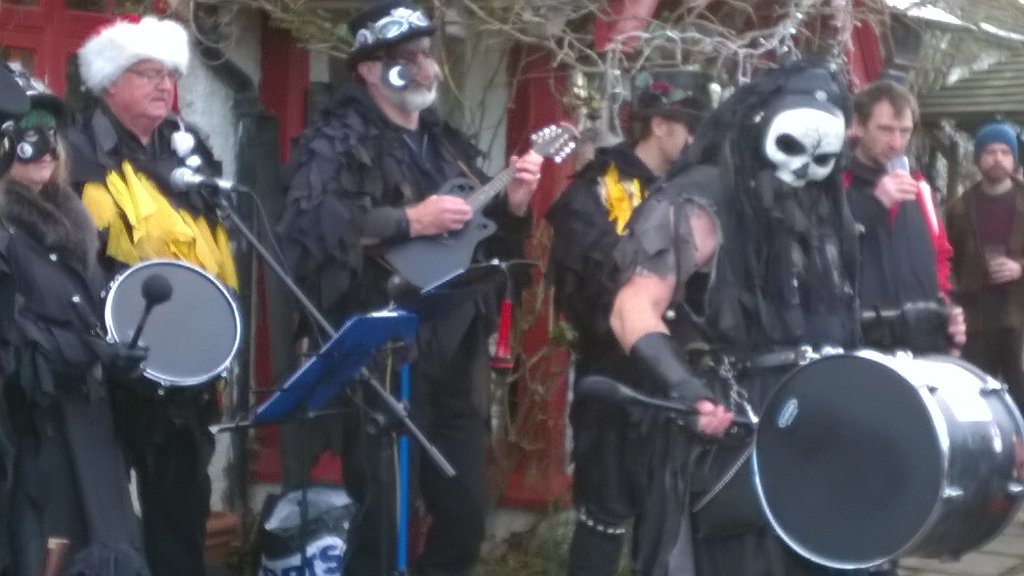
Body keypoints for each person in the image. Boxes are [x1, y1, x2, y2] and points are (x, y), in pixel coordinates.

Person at [275, 2, 543, 575]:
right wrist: (408, 221)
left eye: (427, 55)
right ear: (369, 70)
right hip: (382, 357)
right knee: (383, 521)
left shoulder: (450, 147)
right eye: (407, 59)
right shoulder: (333, 141)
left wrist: (515, 207)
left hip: (454, 359)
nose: (425, 69)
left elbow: (481, 246)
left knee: (467, 515)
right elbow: (309, 227)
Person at [609, 60, 858, 576]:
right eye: (793, 146)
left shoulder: (820, 206)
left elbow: (815, 318)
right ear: (761, 128)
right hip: (729, 428)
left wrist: (903, 324)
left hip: (816, 424)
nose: (804, 167)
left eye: (822, 157)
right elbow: (632, 307)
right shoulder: (703, 196)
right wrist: (684, 388)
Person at [65, 16, 233, 576]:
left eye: (170, 74)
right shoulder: (73, 153)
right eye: (147, 73)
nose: (165, 84)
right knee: (101, 521)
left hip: (182, 370)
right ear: (111, 82)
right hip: (104, 368)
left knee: (180, 517)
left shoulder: (191, 151)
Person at [545, 68, 710, 576]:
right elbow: (592, 288)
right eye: (692, 127)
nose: (700, 140)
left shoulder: (701, 193)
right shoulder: (593, 193)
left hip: (689, 378)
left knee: (673, 525)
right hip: (617, 382)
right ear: (660, 125)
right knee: (606, 518)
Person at [0, 66, 149, 576]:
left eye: (47, 132)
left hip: (91, 435)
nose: (41, 147)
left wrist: (120, 354)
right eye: (24, 134)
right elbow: (15, 338)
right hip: (32, 449)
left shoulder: (73, 226)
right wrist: (93, 353)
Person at [845, 80, 965, 355]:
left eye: (905, 131)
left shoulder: (920, 189)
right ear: (859, 126)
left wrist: (946, 317)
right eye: (886, 130)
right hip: (860, 347)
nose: (896, 142)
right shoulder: (833, 185)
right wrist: (872, 204)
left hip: (922, 346)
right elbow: (820, 252)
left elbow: (939, 259)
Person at [946, 122, 1024, 410]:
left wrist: (1020, 268)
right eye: (990, 152)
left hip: (1018, 316)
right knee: (978, 395)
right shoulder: (958, 208)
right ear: (978, 158)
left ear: (1015, 159)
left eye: (1005, 151)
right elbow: (946, 259)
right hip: (976, 317)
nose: (998, 158)